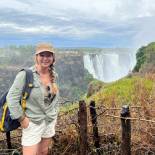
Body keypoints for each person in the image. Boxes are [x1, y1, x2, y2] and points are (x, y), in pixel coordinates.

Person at [6, 43, 59, 155]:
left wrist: (55, 113)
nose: (45, 58)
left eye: (49, 55)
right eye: (42, 55)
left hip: (49, 120)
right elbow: (11, 98)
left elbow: (54, 98)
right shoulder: (26, 75)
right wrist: (22, 119)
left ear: (53, 58)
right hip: (33, 122)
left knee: (43, 152)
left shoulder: (53, 74)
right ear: (36, 57)